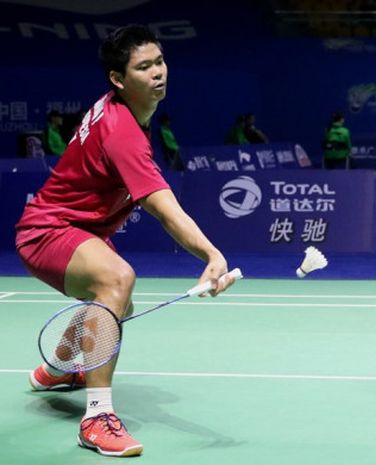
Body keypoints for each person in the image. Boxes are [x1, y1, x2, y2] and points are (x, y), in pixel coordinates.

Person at [15, 25, 237, 457]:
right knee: (116, 280)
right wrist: (211, 254)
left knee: (117, 306)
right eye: (144, 67)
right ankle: (96, 418)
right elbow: (163, 209)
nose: (158, 73)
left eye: (160, 61)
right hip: (46, 231)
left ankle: (58, 369)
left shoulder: (125, 110)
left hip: (73, 228)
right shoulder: (123, 130)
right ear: (118, 79)